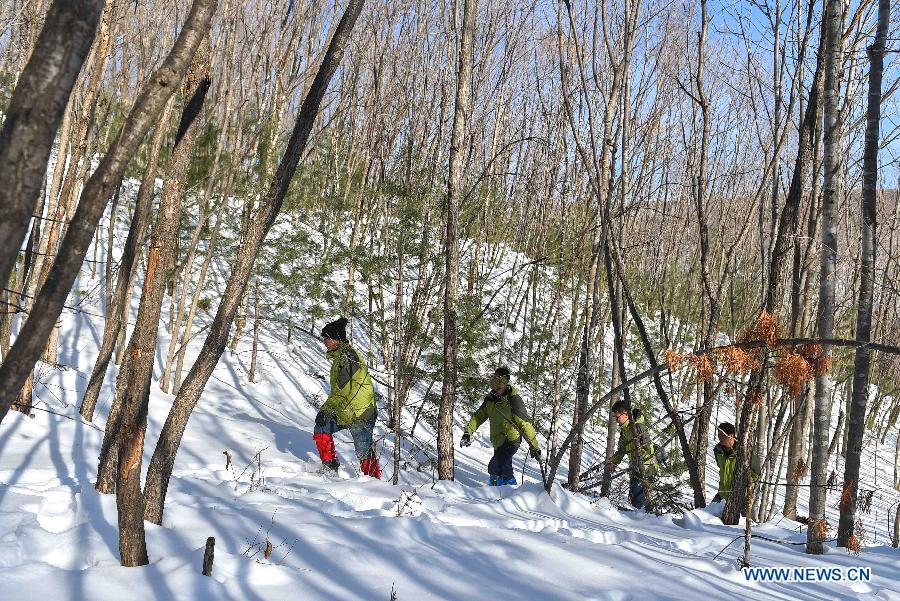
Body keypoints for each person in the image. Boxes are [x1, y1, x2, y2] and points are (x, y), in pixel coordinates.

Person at [313, 317, 381, 479]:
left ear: (336, 339)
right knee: (321, 429)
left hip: (361, 413)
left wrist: (325, 410)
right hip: (348, 410)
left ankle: (375, 484)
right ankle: (330, 467)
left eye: (327, 338)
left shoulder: (348, 358)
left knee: (363, 451)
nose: (324, 342)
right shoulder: (341, 357)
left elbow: (341, 391)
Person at [460, 366, 541, 486]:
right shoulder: (490, 400)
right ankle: (512, 490)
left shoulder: (513, 400)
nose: (497, 386)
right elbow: (478, 417)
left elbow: (525, 424)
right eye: (495, 382)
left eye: (500, 383)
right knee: (505, 470)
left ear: (506, 383)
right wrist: (468, 432)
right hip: (497, 441)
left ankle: (494, 491)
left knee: (495, 466)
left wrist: (534, 446)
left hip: (511, 440)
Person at [605, 400, 656, 510]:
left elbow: (647, 448)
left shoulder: (637, 426)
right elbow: (622, 449)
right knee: (634, 498)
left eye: (617, 417)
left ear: (626, 414)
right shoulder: (625, 429)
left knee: (639, 501)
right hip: (635, 468)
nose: (616, 420)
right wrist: (614, 462)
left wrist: (640, 463)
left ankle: (644, 518)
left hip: (646, 468)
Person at [712, 421, 760, 503]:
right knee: (707, 510)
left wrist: (747, 490)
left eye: (722, 435)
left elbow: (756, 474)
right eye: (718, 434)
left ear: (731, 435)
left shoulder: (745, 451)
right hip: (722, 494)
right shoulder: (718, 450)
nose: (719, 437)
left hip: (741, 497)